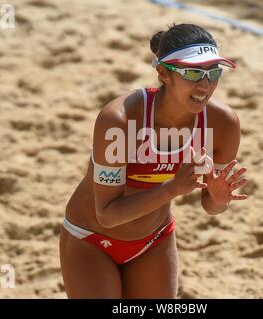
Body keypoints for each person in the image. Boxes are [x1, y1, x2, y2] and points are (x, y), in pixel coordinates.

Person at [59, 23, 248, 299]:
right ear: (163, 73)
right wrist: (172, 188)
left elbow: (211, 206)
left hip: (154, 241)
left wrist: (219, 200)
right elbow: (108, 215)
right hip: (90, 239)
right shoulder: (121, 119)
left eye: (213, 73)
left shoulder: (223, 124)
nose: (205, 85)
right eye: (193, 72)